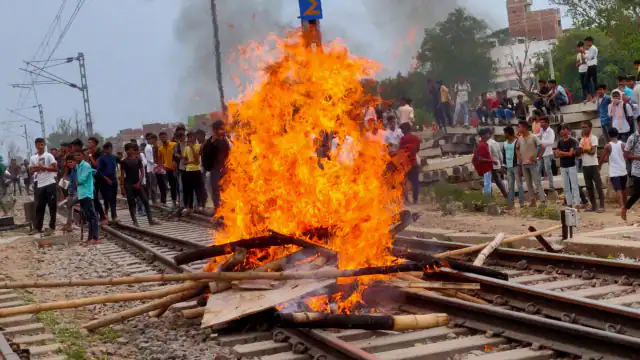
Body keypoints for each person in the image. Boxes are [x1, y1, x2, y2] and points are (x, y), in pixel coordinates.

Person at [119, 143, 159, 226]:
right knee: (131, 203)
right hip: (128, 184)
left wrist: (139, 182)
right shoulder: (124, 161)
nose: (130, 151)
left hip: (138, 183)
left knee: (146, 201)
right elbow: (122, 175)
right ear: (126, 151)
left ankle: (150, 220)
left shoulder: (138, 160)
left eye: (131, 149)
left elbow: (142, 172)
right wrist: (122, 186)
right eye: (128, 149)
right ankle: (135, 221)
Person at [29, 138, 58, 235]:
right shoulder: (33, 158)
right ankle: (38, 228)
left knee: (52, 206)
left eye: (41, 145)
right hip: (39, 184)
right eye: (38, 145)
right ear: (36, 146)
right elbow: (30, 171)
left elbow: (55, 168)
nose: (40, 147)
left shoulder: (49, 156)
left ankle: (52, 227)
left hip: (50, 183)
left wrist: (44, 168)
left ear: (44, 145)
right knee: (39, 207)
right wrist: (36, 168)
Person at [201, 120, 230, 211]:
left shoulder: (226, 140)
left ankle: (226, 209)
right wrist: (212, 142)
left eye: (223, 128)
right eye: (220, 129)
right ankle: (218, 209)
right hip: (215, 170)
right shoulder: (210, 141)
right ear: (215, 130)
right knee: (216, 190)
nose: (223, 130)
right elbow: (206, 153)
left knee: (226, 190)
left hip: (225, 169)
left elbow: (228, 154)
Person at [72, 151, 100, 244]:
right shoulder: (77, 166)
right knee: (88, 217)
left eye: (79, 155)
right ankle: (90, 237)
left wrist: (76, 181)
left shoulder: (86, 166)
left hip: (87, 193)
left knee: (92, 216)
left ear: (83, 156)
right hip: (81, 194)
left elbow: (81, 180)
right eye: (75, 155)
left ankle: (95, 238)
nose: (77, 157)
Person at [517, 120, 546, 206]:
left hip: (532, 163)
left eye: (519, 127)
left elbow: (541, 147)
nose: (518, 128)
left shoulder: (533, 137)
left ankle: (543, 201)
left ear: (524, 127)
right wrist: (520, 158)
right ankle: (532, 200)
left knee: (537, 183)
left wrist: (537, 156)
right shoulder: (520, 138)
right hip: (524, 164)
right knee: (528, 183)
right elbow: (517, 148)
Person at [600, 128, 627, 218]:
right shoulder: (623, 144)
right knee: (623, 189)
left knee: (618, 190)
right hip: (623, 170)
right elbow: (627, 155)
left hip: (614, 171)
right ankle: (625, 206)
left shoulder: (608, 146)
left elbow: (602, 157)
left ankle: (622, 206)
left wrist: (599, 166)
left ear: (609, 135)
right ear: (617, 134)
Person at [580, 121, 605, 212]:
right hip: (585, 165)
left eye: (585, 127)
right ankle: (593, 206)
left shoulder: (593, 138)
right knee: (589, 187)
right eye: (582, 127)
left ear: (590, 128)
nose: (583, 129)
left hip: (593, 164)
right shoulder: (582, 140)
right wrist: (586, 149)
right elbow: (579, 152)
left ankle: (602, 206)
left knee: (598, 186)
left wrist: (584, 150)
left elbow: (592, 152)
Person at [554, 125, 580, 207]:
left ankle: (577, 203)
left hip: (571, 165)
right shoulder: (559, 142)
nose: (562, 131)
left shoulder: (572, 141)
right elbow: (557, 155)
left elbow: (570, 154)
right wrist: (564, 153)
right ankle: (569, 203)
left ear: (567, 130)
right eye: (561, 130)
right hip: (563, 166)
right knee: (565, 186)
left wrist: (562, 153)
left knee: (574, 185)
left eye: (563, 130)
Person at [502, 126, 525, 209]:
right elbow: (504, 156)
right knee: (510, 186)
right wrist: (503, 166)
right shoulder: (504, 144)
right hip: (508, 167)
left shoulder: (517, 142)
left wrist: (521, 167)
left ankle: (522, 203)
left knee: (519, 185)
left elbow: (520, 154)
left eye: (505, 133)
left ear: (508, 133)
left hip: (516, 166)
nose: (504, 134)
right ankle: (510, 204)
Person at [398, 122, 421, 204]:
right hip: (414, 162)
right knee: (415, 182)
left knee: (404, 182)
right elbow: (418, 149)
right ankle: (415, 199)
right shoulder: (417, 138)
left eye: (402, 129)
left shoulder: (403, 139)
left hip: (405, 164)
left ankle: (406, 200)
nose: (401, 131)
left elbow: (400, 151)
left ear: (406, 129)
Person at [182, 131, 204, 212]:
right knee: (189, 190)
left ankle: (199, 206)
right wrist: (190, 162)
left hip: (197, 170)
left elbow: (197, 161)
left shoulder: (199, 146)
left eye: (191, 137)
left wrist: (192, 147)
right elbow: (184, 162)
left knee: (198, 189)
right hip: (188, 171)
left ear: (195, 137)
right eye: (188, 137)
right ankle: (190, 207)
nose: (189, 139)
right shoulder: (186, 148)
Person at [86, 137, 106, 224]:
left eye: (90, 142)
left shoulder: (99, 153)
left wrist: (90, 156)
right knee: (93, 197)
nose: (88, 144)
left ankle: (104, 215)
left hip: (100, 177)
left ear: (94, 143)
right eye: (88, 142)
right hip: (92, 178)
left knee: (102, 196)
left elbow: (96, 165)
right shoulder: (88, 153)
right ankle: (98, 215)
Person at [97, 142, 118, 223]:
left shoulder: (114, 157)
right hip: (105, 181)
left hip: (114, 180)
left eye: (109, 148)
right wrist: (106, 179)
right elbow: (99, 171)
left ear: (111, 148)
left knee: (114, 198)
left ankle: (114, 215)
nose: (108, 150)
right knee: (108, 198)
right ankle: (110, 214)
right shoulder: (101, 158)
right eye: (106, 149)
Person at [474, 128, 495, 197]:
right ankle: (487, 199)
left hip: (487, 167)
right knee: (487, 184)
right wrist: (492, 161)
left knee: (487, 183)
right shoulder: (482, 145)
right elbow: (480, 158)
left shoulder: (483, 144)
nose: (489, 135)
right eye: (487, 134)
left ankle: (488, 198)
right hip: (485, 167)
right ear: (483, 136)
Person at [158, 131, 177, 207]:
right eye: (161, 137)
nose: (163, 138)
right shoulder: (160, 149)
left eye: (164, 137)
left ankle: (181, 202)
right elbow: (160, 160)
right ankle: (174, 203)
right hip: (169, 170)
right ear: (160, 139)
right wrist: (163, 167)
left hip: (177, 169)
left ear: (167, 136)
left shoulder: (174, 145)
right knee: (172, 186)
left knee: (179, 186)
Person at [487, 130, 508, 198]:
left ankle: (489, 196)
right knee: (497, 179)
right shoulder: (495, 142)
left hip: (491, 164)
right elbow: (500, 154)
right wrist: (502, 165)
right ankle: (505, 195)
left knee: (489, 180)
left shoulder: (488, 143)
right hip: (496, 164)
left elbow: (488, 155)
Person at [537, 116, 555, 190]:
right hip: (541, 152)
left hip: (547, 153)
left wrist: (540, 142)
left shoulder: (550, 131)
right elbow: (538, 136)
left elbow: (551, 142)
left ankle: (551, 186)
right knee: (538, 169)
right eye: (540, 122)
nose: (541, 123)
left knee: (548, 170)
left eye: (542, 122)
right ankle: (538, 186)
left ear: (547, 123)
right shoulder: (542, 130)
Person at [173, 129, 187, 208]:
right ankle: (182, 205)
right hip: (181, 169)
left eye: (181, 137)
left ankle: (191, 205)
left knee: (190, 188)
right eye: (179, 138)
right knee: (181, 188)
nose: (180, 139)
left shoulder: (189, 144)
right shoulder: (177, 145)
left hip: (190, 168)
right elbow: (175, 157)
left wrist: (182, 156)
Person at [144, 133, 159, 205]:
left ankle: (154, 200)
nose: (150, 140)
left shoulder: (151, 147)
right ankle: (154, 201)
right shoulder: (148, 148)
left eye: (151, 138)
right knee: (153, 185)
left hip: (152, 168)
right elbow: (149, 159)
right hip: (150, 169)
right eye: (148, 139)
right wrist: (156, 164)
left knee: (154, 185)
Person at [584, 36, 598, 100]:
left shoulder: (593, 48)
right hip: (590, 66)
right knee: (589, 81)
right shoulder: (589, 49)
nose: (586, 43)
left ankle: (594, 94)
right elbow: (587, 59)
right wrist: (586, 56)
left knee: (591, 81)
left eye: (587, 42)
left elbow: (589, 57)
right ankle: (591, 95)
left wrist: (585, 54)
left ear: (590, 42)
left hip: (592, 66)